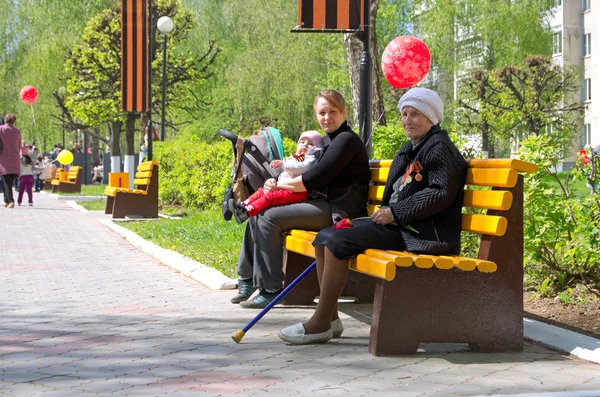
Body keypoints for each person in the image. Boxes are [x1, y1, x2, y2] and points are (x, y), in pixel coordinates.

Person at [278, 87, 468, 344]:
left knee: (335, 240)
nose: (407, 120)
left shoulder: (440, 148)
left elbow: (440, 193)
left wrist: (395, 213)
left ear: (431, 118)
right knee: (325, 237)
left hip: (422, 233)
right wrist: (388, 214)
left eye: (415, 114)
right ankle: (329, 318)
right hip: (401, 225)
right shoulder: (412, 147)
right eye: (404, 114)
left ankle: (320, 322)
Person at [231, 90, 370, 309]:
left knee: (270, 218)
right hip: (322, 201)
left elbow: (315, 178)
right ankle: (248, 279)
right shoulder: (328, 140)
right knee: (259, 215)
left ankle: (271, 290)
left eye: (333, 111)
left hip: (340, 210)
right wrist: (274, 184)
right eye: (322, 112)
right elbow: (302, 175)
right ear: (316, 115)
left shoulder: (345, 141)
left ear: (344, 112)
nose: (327, 117)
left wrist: (277, 185)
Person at [228, 130, 324, 224]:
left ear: (316, 148)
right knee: (262, 191)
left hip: (298, 192)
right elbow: (289, 168)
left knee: (270, 197)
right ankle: (243, 205)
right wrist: (281, 163)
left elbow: (301, 168)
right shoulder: (297, 157)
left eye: (310, 144)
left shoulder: (311, 158)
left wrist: (285, 164)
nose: (305, 145)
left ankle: (247, 212)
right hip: (287, 187)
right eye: (302, 142)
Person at [0, 114, 23, 208]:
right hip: (15, 158)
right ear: (14, 121)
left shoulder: (1, 129)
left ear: (5, 120)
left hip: (4, 157)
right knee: (9, 180)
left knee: (6, 180)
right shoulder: (17, 131)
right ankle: (6, 200)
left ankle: (11, 200)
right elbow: (19, 145)